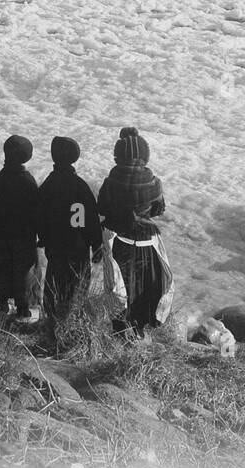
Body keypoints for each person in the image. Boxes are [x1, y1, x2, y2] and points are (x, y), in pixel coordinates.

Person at [96, 127, 174, 334]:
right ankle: (139, 332)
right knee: (145, 289)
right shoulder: (154, 182)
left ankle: (120, 332)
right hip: (147, 242)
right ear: (145, 155)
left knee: (120, 290)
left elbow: (101, 208)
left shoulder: (111, 182)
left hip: (119, 241)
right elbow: (159, 209)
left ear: (118, 155)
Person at [36, 136, 102, 325]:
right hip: (79, 246)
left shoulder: (48, 186)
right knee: (78, 285)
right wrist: (97, 244)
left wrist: (43, 238)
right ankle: (72, 320)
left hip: (56, 246)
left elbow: (39, 216)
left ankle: (52, 319)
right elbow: (91, 219)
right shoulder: (81, 186)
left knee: (54, 282)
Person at [0, 134, 40, 320]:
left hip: (0, 237)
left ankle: (1, 303)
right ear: (27, 157)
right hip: (24, 237)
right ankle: (24, 309)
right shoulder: (29, 182)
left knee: (3, 266)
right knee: (25, 271)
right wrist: (36, 233)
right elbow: (36, 213)